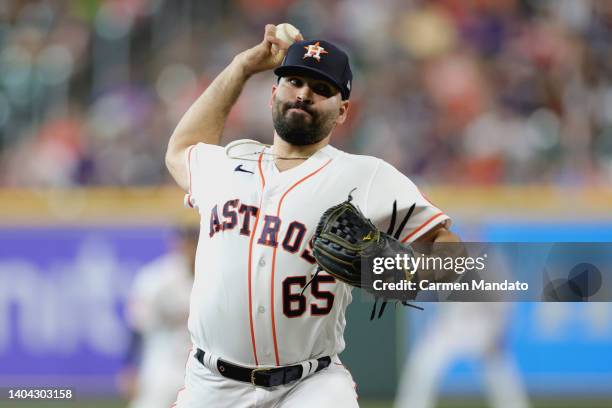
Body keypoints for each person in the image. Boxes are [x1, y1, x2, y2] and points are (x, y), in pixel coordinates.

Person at [164, 24, 461, 407]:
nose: (304, 94)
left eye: (321, 89)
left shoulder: (366, 176)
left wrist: (410, 273)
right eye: (294, 82)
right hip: (212, 385)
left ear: (342, 111)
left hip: (310, 385)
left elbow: (451, 253)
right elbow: (181, 148)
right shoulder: (228, 164)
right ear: (274, 93)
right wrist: (240, 67)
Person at [119, 228, 197, 408]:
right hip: (162, 364)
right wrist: (130, 367)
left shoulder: (211, 276)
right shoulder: (156, 279)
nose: (189, 247)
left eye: (193, 242)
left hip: (199, 368)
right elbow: (136, 325)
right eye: (186, 242)